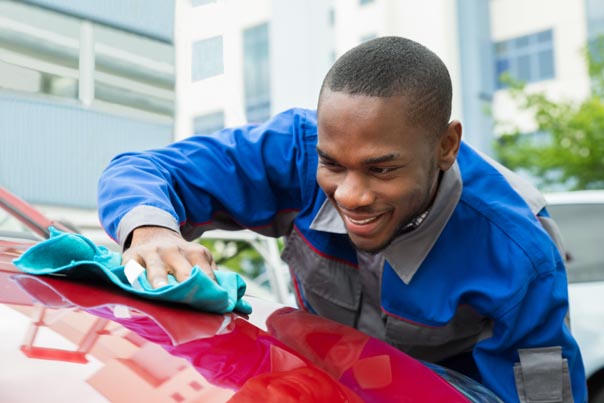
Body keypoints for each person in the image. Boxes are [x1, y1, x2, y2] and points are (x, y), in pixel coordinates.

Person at [98, 36, 586, 402]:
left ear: (445, 147)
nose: (350, 195)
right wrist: (153, 230)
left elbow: (543, 393)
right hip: (316, 381)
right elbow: (144, 169)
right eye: (332, 164)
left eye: (381, 169)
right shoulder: (293, 150)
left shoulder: (519, 252)